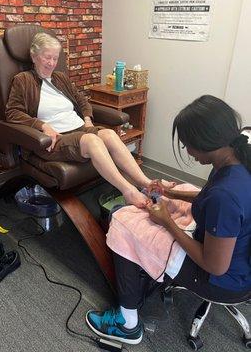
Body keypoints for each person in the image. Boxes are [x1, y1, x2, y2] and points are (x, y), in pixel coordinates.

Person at [86, 95, 251, 345]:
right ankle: (150, 268)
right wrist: (169, 192)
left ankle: (127, 323)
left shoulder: (225, 197)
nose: (187, 151)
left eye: (188, 145)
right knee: (179, 189)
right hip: (238, 256)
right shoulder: (237, 157)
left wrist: (167, 223)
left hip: (221, 280)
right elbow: (208, 195)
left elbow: (214, 265)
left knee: (122, 221)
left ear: (205, 141)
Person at [5, 32, 155, 207]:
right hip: (54, 139)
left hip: (80, 129)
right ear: (34, 56)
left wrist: (88, 119)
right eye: (47, 58)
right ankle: (128, 191)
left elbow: (81, 100)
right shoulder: (23, 80)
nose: (52, 63)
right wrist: (42, 125)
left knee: (109, 134)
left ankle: (147, 183)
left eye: (55, 58)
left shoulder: (60, 78)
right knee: (92, 140)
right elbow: (13, 112)